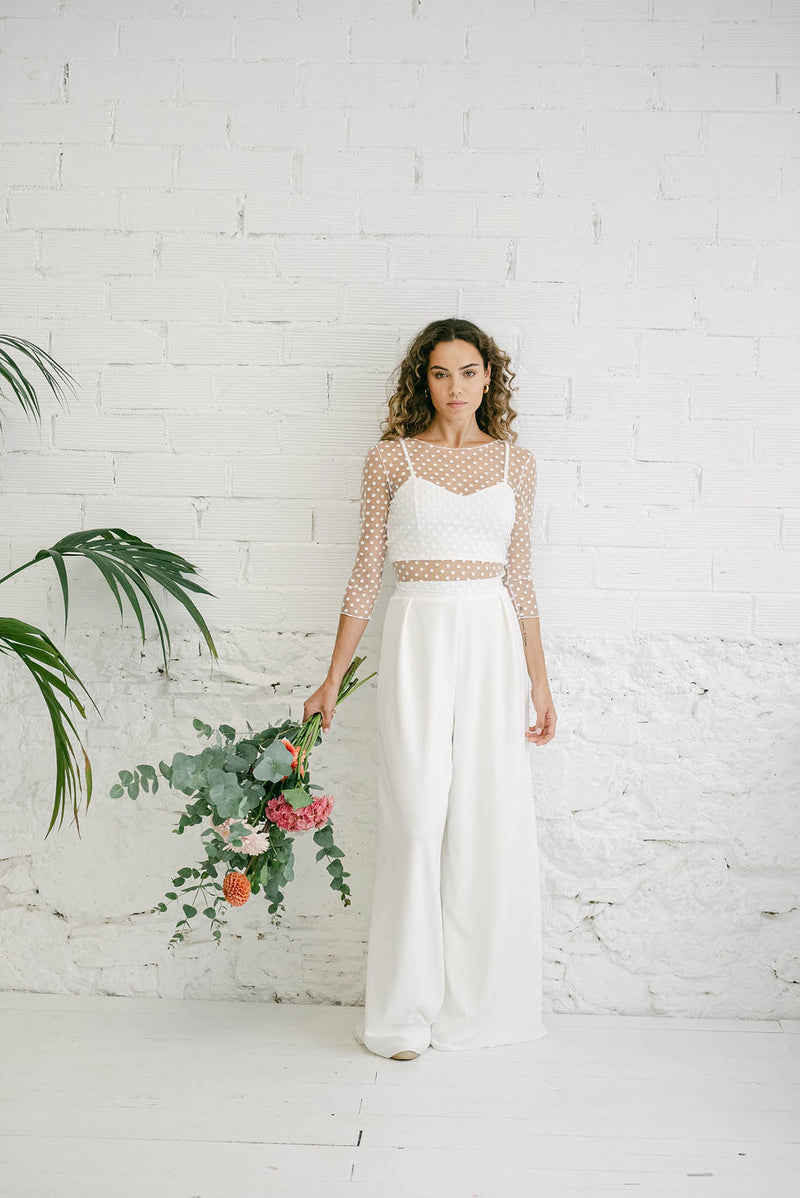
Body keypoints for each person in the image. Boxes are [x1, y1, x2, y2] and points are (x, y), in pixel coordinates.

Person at [304, 317, 556, 1061]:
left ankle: (475, 1009)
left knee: (483, 820)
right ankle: (403, 1014)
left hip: (490, 638)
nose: (456, 387)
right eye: (441, 373)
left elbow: (523, 581)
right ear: (424, 379)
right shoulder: (390, 461)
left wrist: (541, 686)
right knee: (416, 819)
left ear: (489, 378)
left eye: (469, 372)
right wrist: (331, 679)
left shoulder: (518, 464)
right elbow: (364, 573)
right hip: (416, 633)